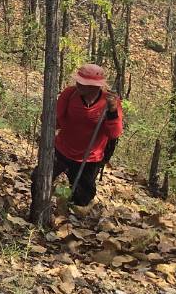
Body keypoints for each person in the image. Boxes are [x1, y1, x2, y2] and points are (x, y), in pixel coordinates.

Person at [52, 63, 125, 208]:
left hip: (89, 158)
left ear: (96, 86)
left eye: (84, 83)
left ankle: (69, 216)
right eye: (78, 81)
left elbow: (114, 133)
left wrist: (112, 110)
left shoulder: (110, 102)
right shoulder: (69, 94)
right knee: (39, 179)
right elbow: (56, 121)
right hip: (62, 150)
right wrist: (49, 118)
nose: (79, 84)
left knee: (82, 198)